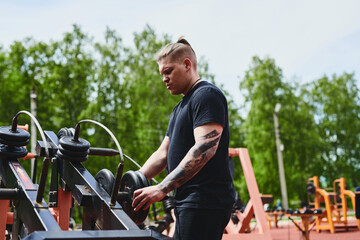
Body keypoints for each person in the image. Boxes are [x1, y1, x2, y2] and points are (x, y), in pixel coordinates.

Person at [132, 37, 235, 240]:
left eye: (168, 71)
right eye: (162, 74)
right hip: (186, 201)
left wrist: (162, 188)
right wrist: (134, 181)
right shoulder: (179, 107)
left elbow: (205, 148)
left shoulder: (206, 95)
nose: (164, 79)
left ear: (187, 64)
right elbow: (163, 154)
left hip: (205, 201)